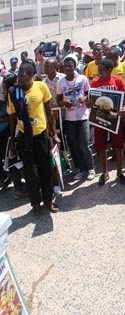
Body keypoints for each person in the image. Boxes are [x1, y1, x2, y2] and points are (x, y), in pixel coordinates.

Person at [8, 62, 59, 216]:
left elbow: (49, 111)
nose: (20, 81)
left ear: (33, 76)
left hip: (41, 135)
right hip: (25, 138)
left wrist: (54, 132)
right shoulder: (14, 92)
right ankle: (36, 204)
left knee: (44, 169)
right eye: (19, 77)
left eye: (24, 78)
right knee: (30, 172)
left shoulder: (41, 87)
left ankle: (49, 200)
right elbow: (12, 116)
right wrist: (12, 139)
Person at [89, 58, 125, 186]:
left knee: (118, 146)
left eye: (101, 70)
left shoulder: (117, 80)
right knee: (101, 146)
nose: (99, 72)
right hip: (100, 118)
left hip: (115, 118)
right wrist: (87, 101)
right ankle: (105, 172)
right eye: (98, 70)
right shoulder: (95, 82)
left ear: (109, 70)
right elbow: (91, 98)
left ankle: (119, 172)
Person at [56, 54, 95, 181]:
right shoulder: (61, 82)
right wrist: (63, 103)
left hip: (83, 115)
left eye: (70, 66)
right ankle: (80, 168)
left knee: (84, 144)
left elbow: (89, 94)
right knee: (74, 145)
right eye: (65, 66)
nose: (68, 68)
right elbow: (58, 99)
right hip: (69, 118)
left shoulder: (82, 79)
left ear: (75, 66)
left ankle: (90, 167)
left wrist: (84, 98)